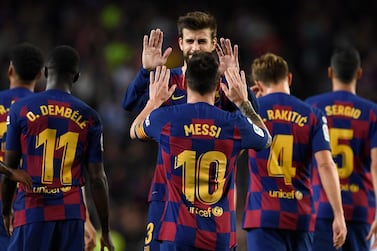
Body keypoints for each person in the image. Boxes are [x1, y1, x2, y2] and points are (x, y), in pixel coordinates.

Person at [122, 10, 259, 250]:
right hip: (168, 193)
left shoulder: (225, 84)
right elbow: (129, 104)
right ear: (181, 43)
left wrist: (235, 78)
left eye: (202, 41)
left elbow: (252, 120)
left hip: (213, 195)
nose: (195, 47)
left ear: (213, 44)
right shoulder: (166, 79)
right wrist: (146, 72)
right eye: (190, 41)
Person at [1, 45, 114, 251]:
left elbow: (11, 169)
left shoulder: (21, 109)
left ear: (45, 72)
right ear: (77, 76)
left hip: (32, 212)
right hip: (71, 216)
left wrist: (6, 211)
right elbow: (97, 178)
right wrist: (104, 229)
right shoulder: (90, 116)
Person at [242, 52, 347, 250]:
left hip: (262, 215)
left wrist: (244, 103)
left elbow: (231, 153)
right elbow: (325, 164)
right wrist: (338, 214)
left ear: (258, 83)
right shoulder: (313, 114)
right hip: (300, 216)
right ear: (289, 77)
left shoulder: (251, 113)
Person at [305, 46, 377, 251]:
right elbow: (376, 166)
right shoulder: (372, 113)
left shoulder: (312, 106)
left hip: (320, 206)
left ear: (330, 72)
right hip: (361, 210)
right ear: (359, 73)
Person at [0, 42, 44, 250]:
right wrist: (87, 219)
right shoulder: (48, 111)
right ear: (39, 75)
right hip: (34, 205)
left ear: (10, 70)